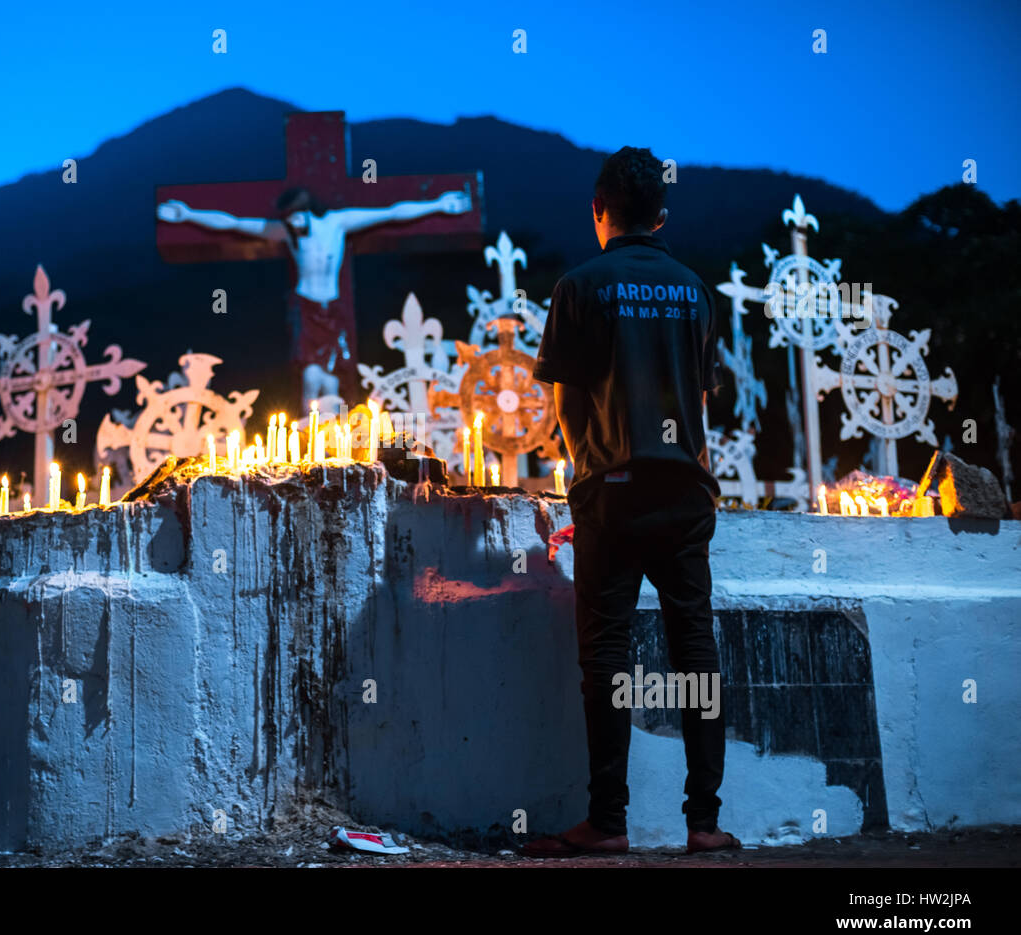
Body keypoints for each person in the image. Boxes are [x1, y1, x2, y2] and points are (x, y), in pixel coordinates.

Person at [521, 146, 740, 856]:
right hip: (684, 496)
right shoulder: (695, 290)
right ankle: (703, 823)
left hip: (611, 497)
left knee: (608, 656)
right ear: (661, 216)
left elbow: (567, 400)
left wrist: (590, 472)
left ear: (598, 210)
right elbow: (703, 397)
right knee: (695, 650)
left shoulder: (581, 286)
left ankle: (607, 823)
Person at [157, 186, 471, 406]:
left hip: (332, 312)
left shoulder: (336, 224)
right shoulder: (286, 233)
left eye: (296, 218)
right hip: (306, 310)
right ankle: (309, 434)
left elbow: (390, 214)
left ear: (307, 212)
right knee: (310, 378)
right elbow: (235, 224)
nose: (292, 224)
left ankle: (334, 444)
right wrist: (187, 214)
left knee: (332, 383)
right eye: (288, 220)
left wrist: (439, 205)